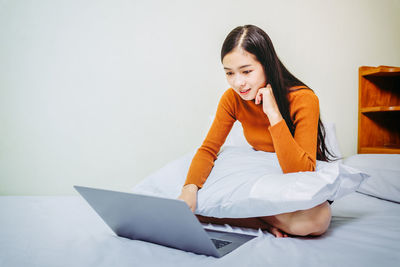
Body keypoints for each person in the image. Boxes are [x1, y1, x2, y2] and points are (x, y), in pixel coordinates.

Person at [178, 25, 335, 238]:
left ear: (267, 65)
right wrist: (190, 188)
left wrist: (273, 114)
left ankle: (254, 217)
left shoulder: (304, 99)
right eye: (229, 73)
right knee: (189, 202)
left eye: (246, 71)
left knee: (318, 219)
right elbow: (208, 149)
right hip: (258, 176)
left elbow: (301, 172)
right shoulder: (231, 99)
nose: (238, 82)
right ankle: (259, 221)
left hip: (290, 179)